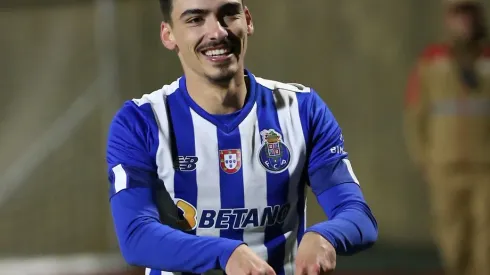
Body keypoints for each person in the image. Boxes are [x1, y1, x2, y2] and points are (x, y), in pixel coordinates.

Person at [106, 0, 378, 274]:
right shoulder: (140, 122)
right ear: (169, 35)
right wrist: (226, 253)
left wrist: (326, 236)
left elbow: (357, 214)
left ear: (247, 19)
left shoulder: (301, 109)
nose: (217, 32)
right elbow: (135, 236)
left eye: (228, 14)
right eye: (195, 19)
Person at [404, 0, 490, 274]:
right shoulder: (431, 61)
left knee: (485, 239)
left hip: (485, 165)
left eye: (469, 14)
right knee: (452, 237)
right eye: (457, 15)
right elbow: (415, 114)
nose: (464, 22)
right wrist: (424, 158)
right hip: (445, 165)